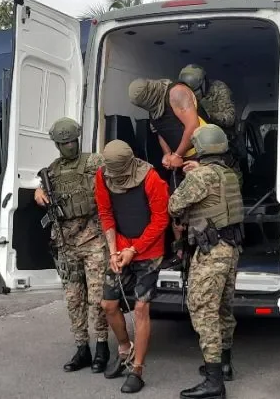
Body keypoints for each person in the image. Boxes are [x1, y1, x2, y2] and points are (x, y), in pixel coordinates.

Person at [168, 124, 244, 399]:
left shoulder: (200, 177)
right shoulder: (229, 174)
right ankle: (223, 365)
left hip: (211, 250)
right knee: (223, 307)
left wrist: (191, 176)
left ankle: (214, 383)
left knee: (203, 309)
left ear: (200, 148)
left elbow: (174, 206)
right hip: (231, 247)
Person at [33, 117, 110, 374]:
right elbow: (41, 189)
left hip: (94, 239)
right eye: (64, 142)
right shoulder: (52, 171)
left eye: (72, 141)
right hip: (66, 243)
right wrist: (38, 192)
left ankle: (101, 346)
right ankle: (81, 347)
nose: (70, 146)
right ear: (57, 144)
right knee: (73, 298)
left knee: (98, 297)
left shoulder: (95, 162)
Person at [95, 140, 170, 394]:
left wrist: (134, 250)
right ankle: (125, 349)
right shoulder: (102, 176)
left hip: (149, 251)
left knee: (140, 308)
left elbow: (161, 220)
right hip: (121, 247)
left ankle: (137, 370)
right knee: (108, 304)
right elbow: (105, 212)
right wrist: (114, 251)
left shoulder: (152, 179)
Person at [128, 78, 207, 266]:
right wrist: (168, 155)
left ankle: (201, 251)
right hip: (179, 158)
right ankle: (180, 253)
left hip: (201, 154)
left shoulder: (176, 93)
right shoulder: (152, 105)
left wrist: (178, 155)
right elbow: (161, 132)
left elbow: (193, 126)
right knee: (175, 207)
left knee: (199, 206)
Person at [179, 64, 242, 187]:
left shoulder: (219, 89)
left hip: (223, 144)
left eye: (195, 92)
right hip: (200, 146)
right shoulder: (181, 93)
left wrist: (208, 115)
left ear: (203, 84)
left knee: (230, 180)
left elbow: (230, 118)